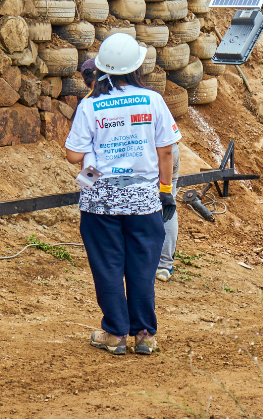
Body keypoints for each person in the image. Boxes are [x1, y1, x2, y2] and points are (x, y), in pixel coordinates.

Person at [64, 33, 180, 356]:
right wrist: (166, 192)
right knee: (143, 266)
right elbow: (166, 152)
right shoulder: (152, 100)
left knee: (108, 266)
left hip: (100, 201)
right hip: (144, 200)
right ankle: (144, 334)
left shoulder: (90, 105)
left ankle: (115, 334)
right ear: (137, 67)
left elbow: (74, 155)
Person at [79, 59, 181, 283]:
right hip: (162, 150)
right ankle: (163, 265)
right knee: (165, 202)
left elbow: (91, 156)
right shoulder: (149, 97)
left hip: (155, 154)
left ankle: (160, 263)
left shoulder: (91, 103)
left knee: (163, 201)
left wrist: (88, 187)